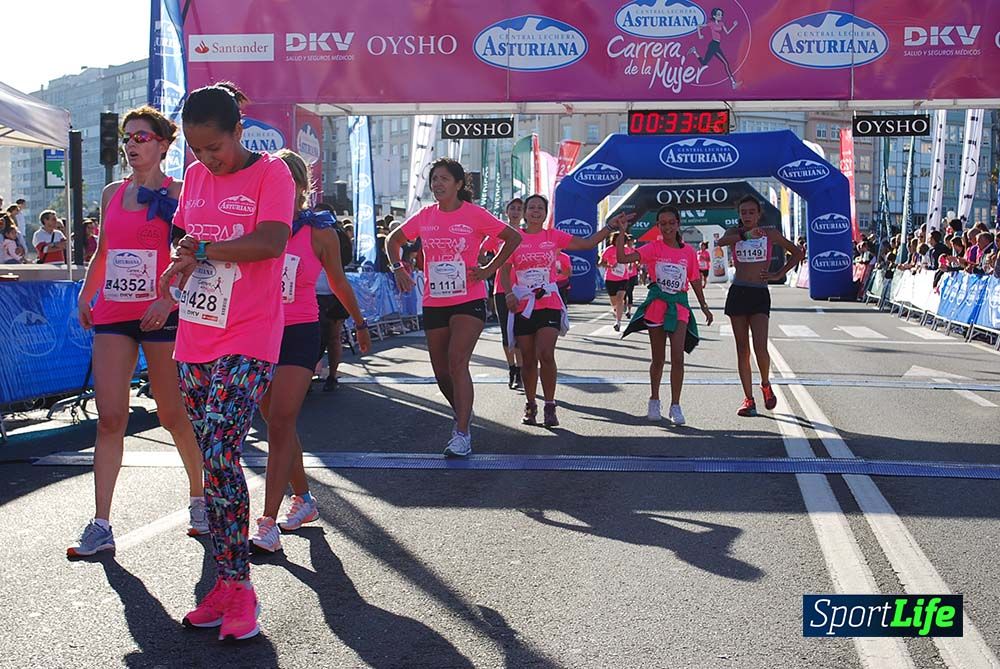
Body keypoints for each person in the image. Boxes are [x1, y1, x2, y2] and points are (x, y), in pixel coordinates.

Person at [158, 82, 295, 641]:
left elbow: (270, 241)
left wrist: (207, 250)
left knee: (219, 449)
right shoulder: (194, 178)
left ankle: (240, 587)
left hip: (250, 333)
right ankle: (223, 582)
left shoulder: (272, 175)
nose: (205, 159)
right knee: (211, 462)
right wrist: (180, 262)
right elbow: (187, 237)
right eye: (195, 149)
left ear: (238, 130)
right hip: (196, 333)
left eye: (213, 147)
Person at [68, 106, 207, 558]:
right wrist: (86, 296)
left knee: (172, 415)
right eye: (128, 137)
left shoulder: (182, 192)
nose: (132, 145)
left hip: (161, 313)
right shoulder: (112, 192)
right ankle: (101, 522)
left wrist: (168, 299)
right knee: (110, 418)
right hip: (114, 312)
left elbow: (193, 259)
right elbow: (104, 252)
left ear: (165, 144)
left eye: (142, 137)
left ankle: (200, 496)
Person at [250, 150, 371, 554]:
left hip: (300, 329)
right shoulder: (257, 226)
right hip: (257, 330)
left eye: (289, 183)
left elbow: (337, 281)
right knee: (273, 420)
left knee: (282, 419)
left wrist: (360, 322)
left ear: (301, 188)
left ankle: (267, 521)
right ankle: (304, 499)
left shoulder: (319, 231)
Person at [386, 158, 521, 457]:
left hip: (468, 298)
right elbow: (394, 240)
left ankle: (461, 433)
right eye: (434, 179)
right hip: (435, 301)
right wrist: (398, 268)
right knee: (441, 371)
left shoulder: (475, 214)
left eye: (444, 179)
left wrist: (488, 270)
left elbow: (513, 238)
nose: (437, 184)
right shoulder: (425, 216)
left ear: (458, 184)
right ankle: (463, 412)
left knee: (457, 361)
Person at [501, 194, 618, 427]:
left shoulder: (553, 236)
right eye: (531, 207)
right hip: (524, 304)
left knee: (546, 353)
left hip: (549, 302)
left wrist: (609, 228)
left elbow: (586, 243)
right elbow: (504, 269)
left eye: (540, 208)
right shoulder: (515, 238)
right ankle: (531, 403)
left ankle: (550, 405)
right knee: (528, 358)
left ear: (546, 213)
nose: (535, 211)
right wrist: (508, 293)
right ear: (524, 213)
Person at [615, 206, 713, 423]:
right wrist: (622, 232)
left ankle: (675, 405)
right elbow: (622, 258)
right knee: (658, 359)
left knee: (678, 358)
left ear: (678, 223)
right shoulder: (653, 248)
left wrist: (704, 306)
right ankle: (654, 400)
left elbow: (695, 279)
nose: (667, 227)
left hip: (679, 305)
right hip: (657, 305)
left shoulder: (688, 252)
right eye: (663, 223)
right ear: (658, 226)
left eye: (671, 222)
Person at [715, 196, 802, 417]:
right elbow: (721, 243)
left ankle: (765, 384)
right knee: (742, 350)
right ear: (739, 214)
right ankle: (748, 399)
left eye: (751, 212)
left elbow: (797, 253)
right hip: (738, 292)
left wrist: (777, 274)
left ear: (758, 214)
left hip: (759, 292)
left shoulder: (769, 234)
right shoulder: (733, 234)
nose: (747, 216)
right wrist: (745, 235)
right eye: (743, 212)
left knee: (760, 347)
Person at [480, 197, 524, 390]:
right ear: (507, 212)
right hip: (501, 288)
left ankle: (521, 370)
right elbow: (481, 253)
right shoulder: (498, 234)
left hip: (524, 289)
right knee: (507, 334)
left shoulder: (526, 234)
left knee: (521, 334)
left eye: (519, 209)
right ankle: (512, 368)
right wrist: (491, 264)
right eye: (512, 208)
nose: (515, 212)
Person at [313, 203, 356, 391]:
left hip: (332, 293)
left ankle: (331, 375)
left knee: (332, 337)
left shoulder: (336, 235)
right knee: (320, 338)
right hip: (315, 292)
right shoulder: (308, 230)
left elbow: (345, 261)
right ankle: (319, 376)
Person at [688, 7, 740, 89]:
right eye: (719, 14)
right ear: (714, 16)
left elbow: (727, 32)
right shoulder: (711, 24)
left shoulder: (721, 24)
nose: (720, 16)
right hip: (713, 45)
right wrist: (700, 35)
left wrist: (734, 26)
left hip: (717, 45)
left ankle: (694, 51)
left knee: (704, 63)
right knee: (725, 63)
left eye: (721, 14)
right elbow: (699, 25)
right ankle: (733, 83)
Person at [598, 231, 629, 331]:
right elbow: (601, 263)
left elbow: (634, 258)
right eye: (617, 240)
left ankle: (618, 322)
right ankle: (616, 309)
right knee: (614, 302)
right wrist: (611, 266)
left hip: (623, 278)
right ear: (613, 240)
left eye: (622, 240)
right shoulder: (609, 250)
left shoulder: (627, 250)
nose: (619, 242)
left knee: (620, 299)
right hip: (611, 278)